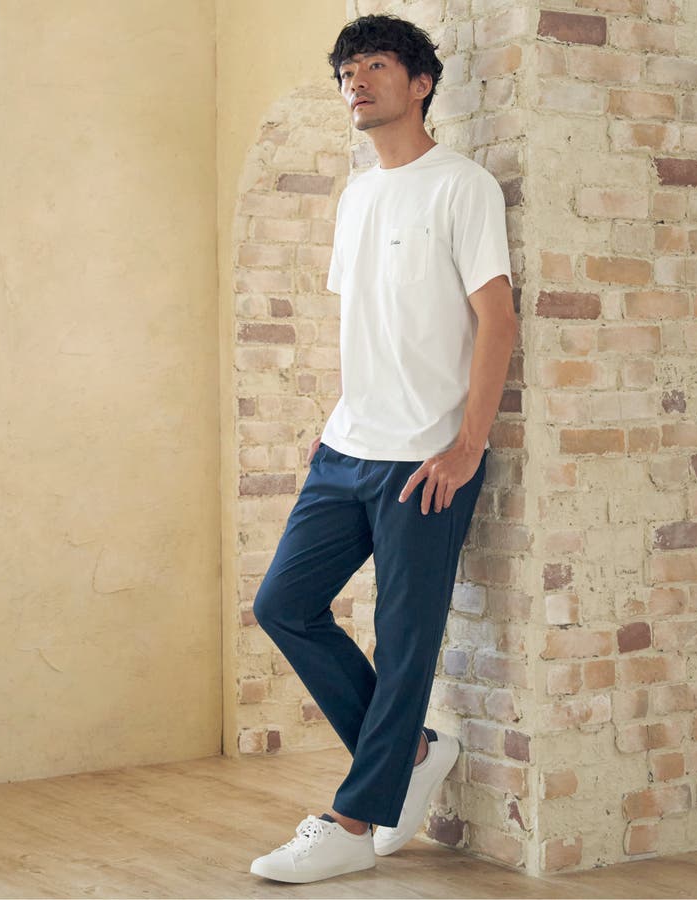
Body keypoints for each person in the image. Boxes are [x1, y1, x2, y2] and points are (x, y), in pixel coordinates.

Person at [249, 12, 517, 884]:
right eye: (345, 72)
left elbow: (497, 319)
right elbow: (371, 322)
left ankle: (354, 822)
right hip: (347, 446)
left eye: (373, 65)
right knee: (284, 604)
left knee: (405, 642)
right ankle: (413, 752)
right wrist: (335, 421)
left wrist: (468, 445)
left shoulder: (462, 187)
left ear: (421, 82)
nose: (355, 82)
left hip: (426, 457)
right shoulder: (358, 195)